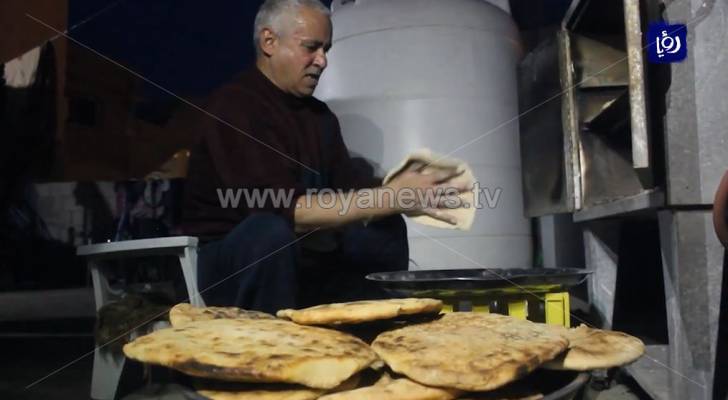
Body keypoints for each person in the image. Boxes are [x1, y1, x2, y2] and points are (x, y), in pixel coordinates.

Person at [181, 0, 463, 314]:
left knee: (384, 227)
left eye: (326, 49)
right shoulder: (234, 107)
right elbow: (284, 210)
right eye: (311, 48)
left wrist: (409, 191)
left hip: (307, 255)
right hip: (237, 260)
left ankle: (375, 329)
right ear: (269, 42)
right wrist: (388, 197)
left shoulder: (320, 117)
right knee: (270, 232)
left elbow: (351, 194)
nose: (323, 61)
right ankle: (270, 350)